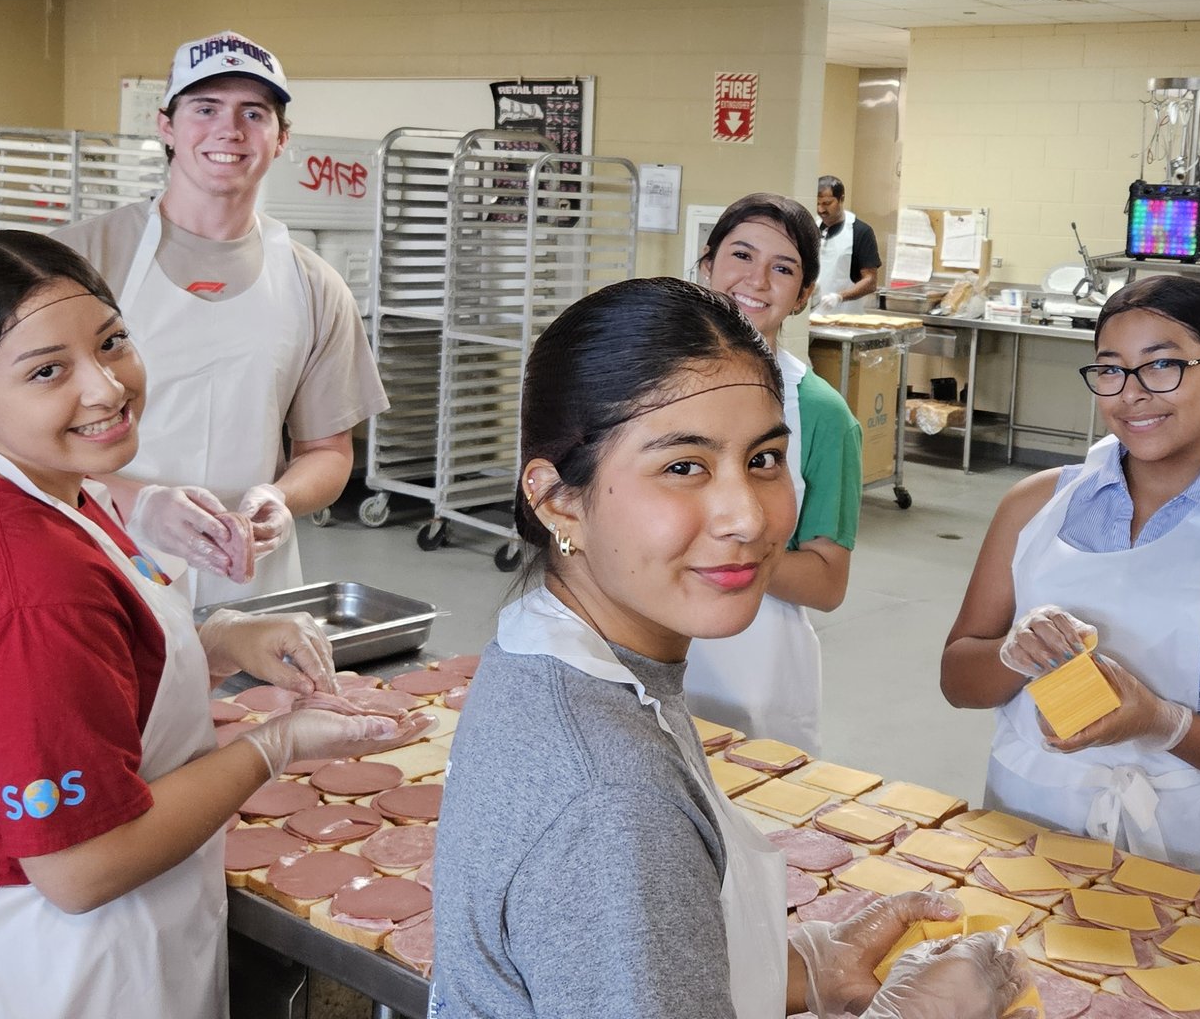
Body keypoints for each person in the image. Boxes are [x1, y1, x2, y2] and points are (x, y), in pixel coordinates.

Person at [430, 277, 1029, 1019]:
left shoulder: (564, 657)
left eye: (765, 459)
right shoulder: (614, 803)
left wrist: (805, 963)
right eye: (683, 467)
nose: (747, 515)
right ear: (559, 500)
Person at [0, 231, 425, 1019]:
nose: (105, 388)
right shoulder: (30, 588)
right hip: (40, 974)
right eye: (47, 371)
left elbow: (90, 676)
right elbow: (81, 869)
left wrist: (221, 641)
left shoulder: (39, 489)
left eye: (113, 343)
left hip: (108, 951)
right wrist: (275, 745)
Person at [938, 274, 1200, 895]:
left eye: (1163, 366)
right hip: (1028, 834)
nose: (1132, 395)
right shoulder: (1034, 507)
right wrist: (1014, 655)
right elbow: (956, 680)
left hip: (1189, 858)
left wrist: (1162, 723)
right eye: (1111, 370)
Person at [53, 29, 385, 604]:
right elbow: (9, 439)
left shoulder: (314, 286)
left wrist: (281, 499)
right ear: (166, 126)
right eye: (205, 108)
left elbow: (328, 453)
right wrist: (137, 501)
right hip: (99, 554)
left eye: (253, 113)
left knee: (247, 699)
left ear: (281, 138)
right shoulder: (78, 262)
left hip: (249, 578)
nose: (229, 130)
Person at [682, 193, 863, 751]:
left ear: (805, 293)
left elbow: (828, 582)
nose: (757, 281)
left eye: (782, 268)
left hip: (752, 675)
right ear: (707, 262)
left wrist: (712, 547)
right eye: (741, 255)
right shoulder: (643, 388)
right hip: (626, 651)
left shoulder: (821, 415)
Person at [812, 176, 882, 315]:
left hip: (845, 320)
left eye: (827, 203)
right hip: (810, 318)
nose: (821, 209)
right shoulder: (811, 227)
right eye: (817, 203)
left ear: (841, 199)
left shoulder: (860, 231)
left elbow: (870, 281)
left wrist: (839, 297)